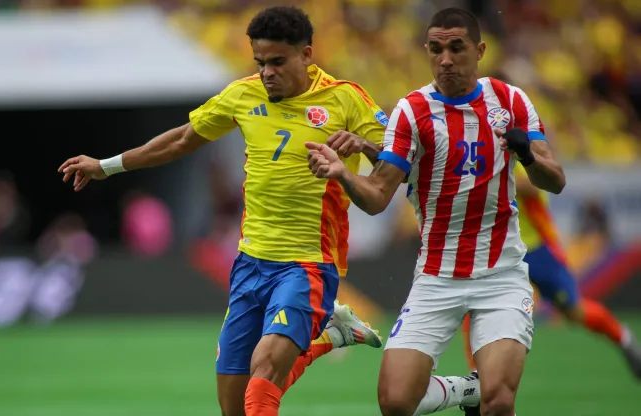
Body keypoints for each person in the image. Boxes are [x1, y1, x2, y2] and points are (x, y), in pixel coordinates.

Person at [59, 6, 387, 416]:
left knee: (264, 371)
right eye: (261, 62)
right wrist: (106, 166)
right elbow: (181, 139)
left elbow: (396, 162)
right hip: (250, 265)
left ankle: (324, 334)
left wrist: (363, 148)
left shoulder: (347, 99)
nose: (267, 72)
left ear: (306, 54)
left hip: (307, 264)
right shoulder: (242, 94)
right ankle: (329, 337)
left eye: (278, 62)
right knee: (235, 406)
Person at [307, 8, 566, 416]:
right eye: (436, 48)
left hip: (501, 274)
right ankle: (467, 390)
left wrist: (526, 154)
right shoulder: (411, 111)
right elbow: (377, 195)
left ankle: (483, 392)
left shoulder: (511, 101)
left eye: (456, 48)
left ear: (479, 50)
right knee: (395, 403)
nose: (445, 58)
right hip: (437, 277)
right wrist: (341, 173)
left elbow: (555, 179)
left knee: (499, 402)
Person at [461, 163, 641, 379]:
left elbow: (532, 185)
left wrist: (484, 180)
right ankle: (476, 375)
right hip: (497, 251)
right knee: (473, 303)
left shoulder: (517, 151)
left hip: (536, 248)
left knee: (574, 311)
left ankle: (623, 337)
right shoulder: (478, 152)